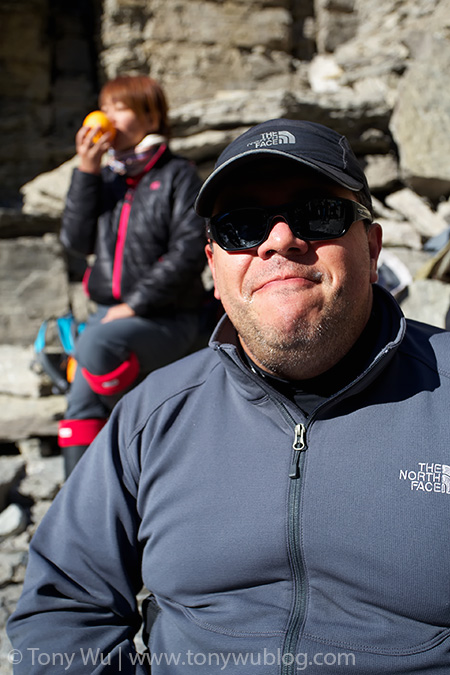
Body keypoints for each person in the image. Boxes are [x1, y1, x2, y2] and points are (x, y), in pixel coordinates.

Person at [8, 119, 450, 673]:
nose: (280, 240)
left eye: (319, 213)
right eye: (241, 226)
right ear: (215, 269)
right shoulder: (153, 416)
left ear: (372, 245)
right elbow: (66, 605)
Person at [57, 75, 207, 476]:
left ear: (151, 116)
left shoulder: (178, 176)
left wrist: (133, 305)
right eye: (105, 108)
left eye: (119, 108)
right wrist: (86, 171)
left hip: (169, 318)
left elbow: (190, 252)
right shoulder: (106, 178)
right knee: (80, 407)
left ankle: (134, 438)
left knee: (94, 346)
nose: (107, 118)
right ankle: (79, 506)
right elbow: (74, 240)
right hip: (111, 317)